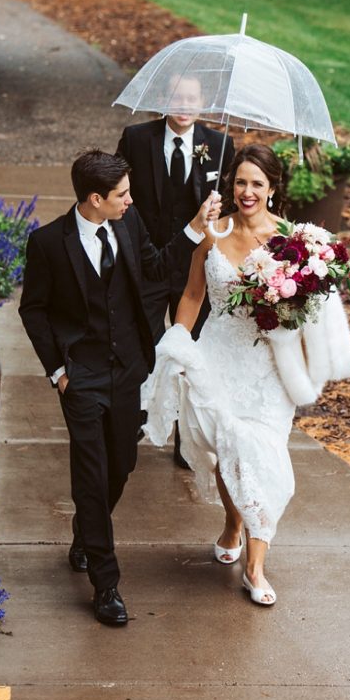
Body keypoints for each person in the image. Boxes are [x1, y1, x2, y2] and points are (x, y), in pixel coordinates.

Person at [18, 149, 221, 626]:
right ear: (94, 198)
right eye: (122, 195)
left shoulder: (127, 226)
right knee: (91, 475)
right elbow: (34, 310)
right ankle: (105, 584)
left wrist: (195, 226)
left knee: (122, 465)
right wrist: (57, 371)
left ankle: (87, 530)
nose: (131, 201)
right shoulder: (47, 243)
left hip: (128, 369)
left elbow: (156, 269)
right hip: (81, 377)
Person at [142, 144, 334, 607]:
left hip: (268, 365)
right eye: (240, 182)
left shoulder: (295, 242)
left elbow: (310, 308)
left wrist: (287, 310)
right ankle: (233, 522)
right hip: (219, 355)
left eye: (257, 184)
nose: (247, 192)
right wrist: (178, 342)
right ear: (231, 183)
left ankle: (255, 564)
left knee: (263, 454)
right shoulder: (213, 230)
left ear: (272, 189)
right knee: (226, 444)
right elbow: (191, 295)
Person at [116, 75, 235, 466]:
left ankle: (189, 437)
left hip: (194, 266)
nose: (183, 105)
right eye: (176, 97)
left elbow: (234, 200)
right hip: (148, 260)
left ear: (202, 104)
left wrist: (218, 210)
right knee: (140, 338)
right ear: (163, 100)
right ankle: (133, 417)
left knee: (193, 347)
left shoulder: (219, 146)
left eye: (191, 98)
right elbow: (123, 196)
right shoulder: (136, 139)